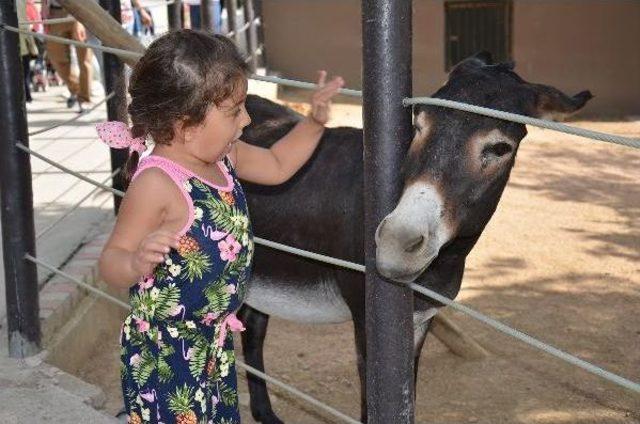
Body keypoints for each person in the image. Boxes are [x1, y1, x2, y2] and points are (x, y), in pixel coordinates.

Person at [97, 30, 344, 423]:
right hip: (167, 359)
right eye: (235, 110)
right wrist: (136, 262)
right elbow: (111, 260)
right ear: (186, 123)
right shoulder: (157, 184)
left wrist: (313, 122)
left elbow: (279, 165)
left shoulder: (225, 157)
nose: (246, 120)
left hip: (212, 344)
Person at [42, 0, 94, 111]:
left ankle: (85, 98)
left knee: (84, 59)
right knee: (56, 56)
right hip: (55, 12)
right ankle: (75, 90)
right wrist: (44, 5)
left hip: (81, 11)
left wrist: (79, 19)